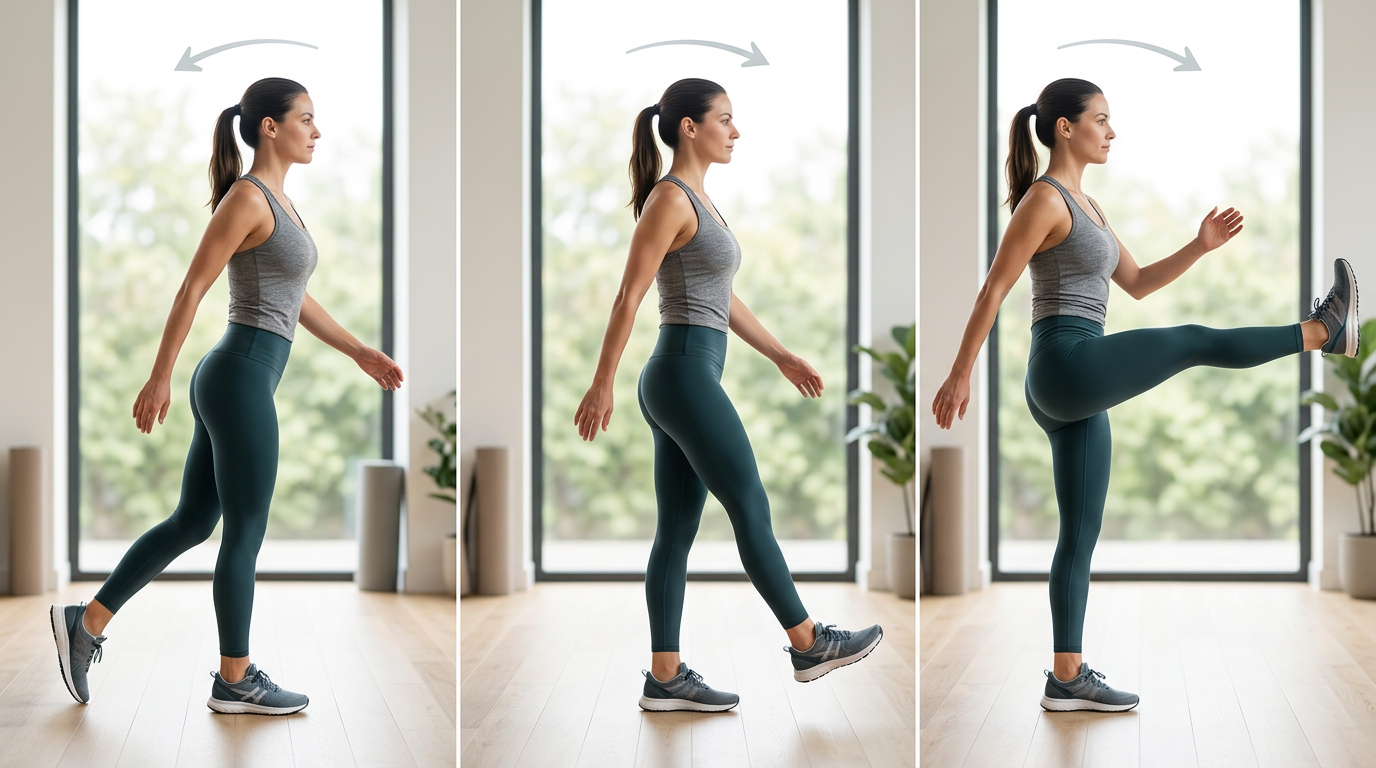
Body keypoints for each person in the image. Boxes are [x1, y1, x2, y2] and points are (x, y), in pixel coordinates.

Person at [931, 77, 1357, 713]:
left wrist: (1199, 245)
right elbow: (993, 289)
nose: (1111, 130)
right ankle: (1323, 330)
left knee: (1079, 532)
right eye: (1101, 119)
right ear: (1065, 129)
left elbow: (1137, 284)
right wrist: (961, 370)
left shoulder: (1090, 208)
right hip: (1065, 362)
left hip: (1071, 381)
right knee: (1191, 340)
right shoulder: (1043, 200)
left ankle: (1066, 676)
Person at [50, 77, 404, 715]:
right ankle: (235, 678)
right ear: (270, 126)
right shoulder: (247, 196)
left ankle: (87, 623)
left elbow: (295, 300)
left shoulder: (281, 202)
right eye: (306, 119)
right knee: (244, 529)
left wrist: (357, 350)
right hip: (238, 373)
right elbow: (192, 288)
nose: (316, 131)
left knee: (194, 521)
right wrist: (158, 375)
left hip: (241, 374)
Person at [573, 77, 883, 713]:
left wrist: (780, 354)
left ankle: (665, 676)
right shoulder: (670, 198)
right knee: (749, 502)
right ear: (690, 127)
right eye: (725, 119)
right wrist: (601, 380)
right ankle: (806, 641)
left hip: (686, 375)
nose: (735, 131)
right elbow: (629, 293)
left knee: (678, 531)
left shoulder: (699, 201)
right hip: (681, 372)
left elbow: (723, 298)